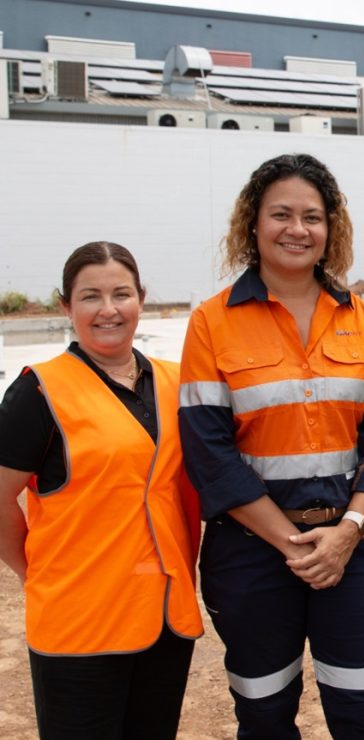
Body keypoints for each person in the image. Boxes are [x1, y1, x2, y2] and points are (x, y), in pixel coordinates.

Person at [179, 154, 364, 738]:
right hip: (251, 555)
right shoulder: (212, 322)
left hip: (352, 552)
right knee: (264, 714)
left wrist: (346, 535)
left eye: (313, 216)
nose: (297, 229)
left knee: (362, 714)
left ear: (332, 228)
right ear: (252, 224)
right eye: (281, 214)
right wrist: (299, 545)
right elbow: (210, 454)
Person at [0, 242, 203, 739]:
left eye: (121, 294)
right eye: (90, 296)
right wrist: (34, 571)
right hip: (79, 624)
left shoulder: (179, 385)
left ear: (141, 299)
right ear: (67, 306)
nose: (108, 310)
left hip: (164, 619)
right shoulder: (39, 391)